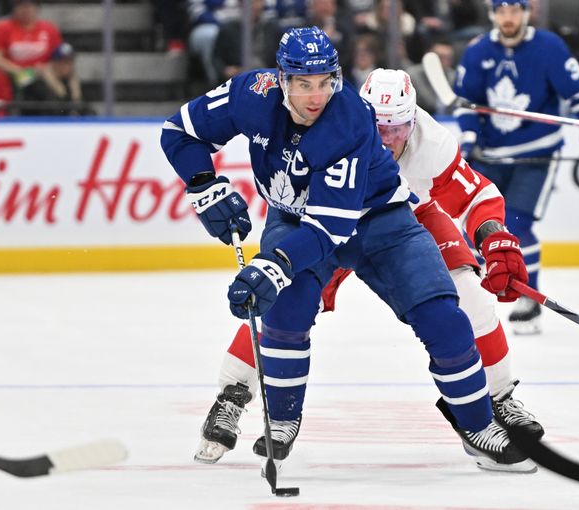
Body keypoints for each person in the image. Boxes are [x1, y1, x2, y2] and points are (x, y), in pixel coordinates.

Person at [161, 26, 536, 473]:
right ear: (282, 80)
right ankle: (235, 393)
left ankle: (494, 402)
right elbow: (181, 131)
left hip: (392, 216)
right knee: (280, 308)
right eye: (303, 84)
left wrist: (494, 236)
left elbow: (468, 196)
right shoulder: (257, 96)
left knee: (459, 301)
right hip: (307, 216)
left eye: (398, 126)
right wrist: (204, 185)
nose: (389, 137)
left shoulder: (391, 133)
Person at [453, 0, 579, 335]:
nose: (508, 18)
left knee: (517, 223)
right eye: (502, 12)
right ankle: (479, 298)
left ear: (526, 13)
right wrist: (467, 137)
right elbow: (466, 103)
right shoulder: (478, 50)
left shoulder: (549, 47)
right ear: (493, 14)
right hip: (489, 156)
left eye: (515, 11)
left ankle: (527, 298)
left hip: (535, 155)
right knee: (479, 228)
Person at [0, 0, 63, 91]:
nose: (25, 10)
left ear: (37, 8)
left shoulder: (50, 29)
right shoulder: (3, 28)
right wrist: (21, 71)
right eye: (21, 6)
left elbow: (59, 57)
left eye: (29, 6)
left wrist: (43, 69)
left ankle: (66, 100)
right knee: (24, 80)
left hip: (44, 75)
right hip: (14, 75)